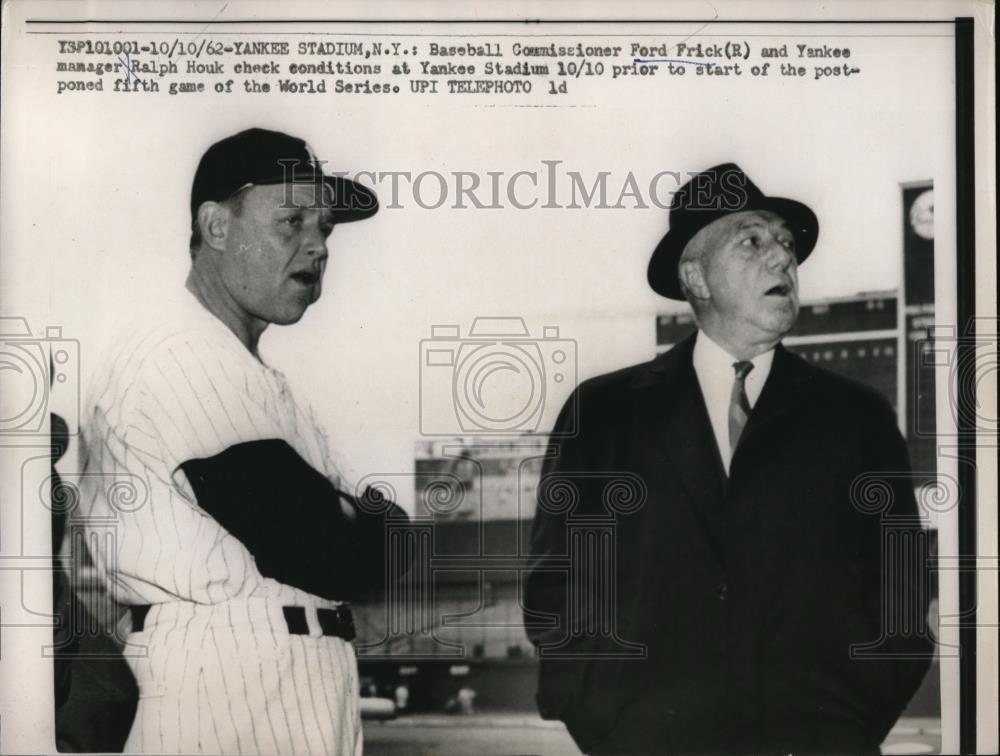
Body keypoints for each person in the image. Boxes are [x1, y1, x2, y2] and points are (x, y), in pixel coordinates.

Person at [524, 164, 932, 754]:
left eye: (787, 244)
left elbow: (901, 596)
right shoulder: (604, 415)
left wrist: (847, 723)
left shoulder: (857, 418)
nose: (782, 259)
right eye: (753, 240)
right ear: (696, 276)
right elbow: (557, 586)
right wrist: (606, 724)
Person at [78, 127, 406, 755]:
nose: (318, 246)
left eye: (326, 227)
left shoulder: (259, 379)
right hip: (222, 688)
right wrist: (348, 512)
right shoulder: (174, 350)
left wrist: (350, 518)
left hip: (295, 685)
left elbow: (394, 550)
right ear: (217, 226)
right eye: (292, 221)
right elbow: (321, 547)